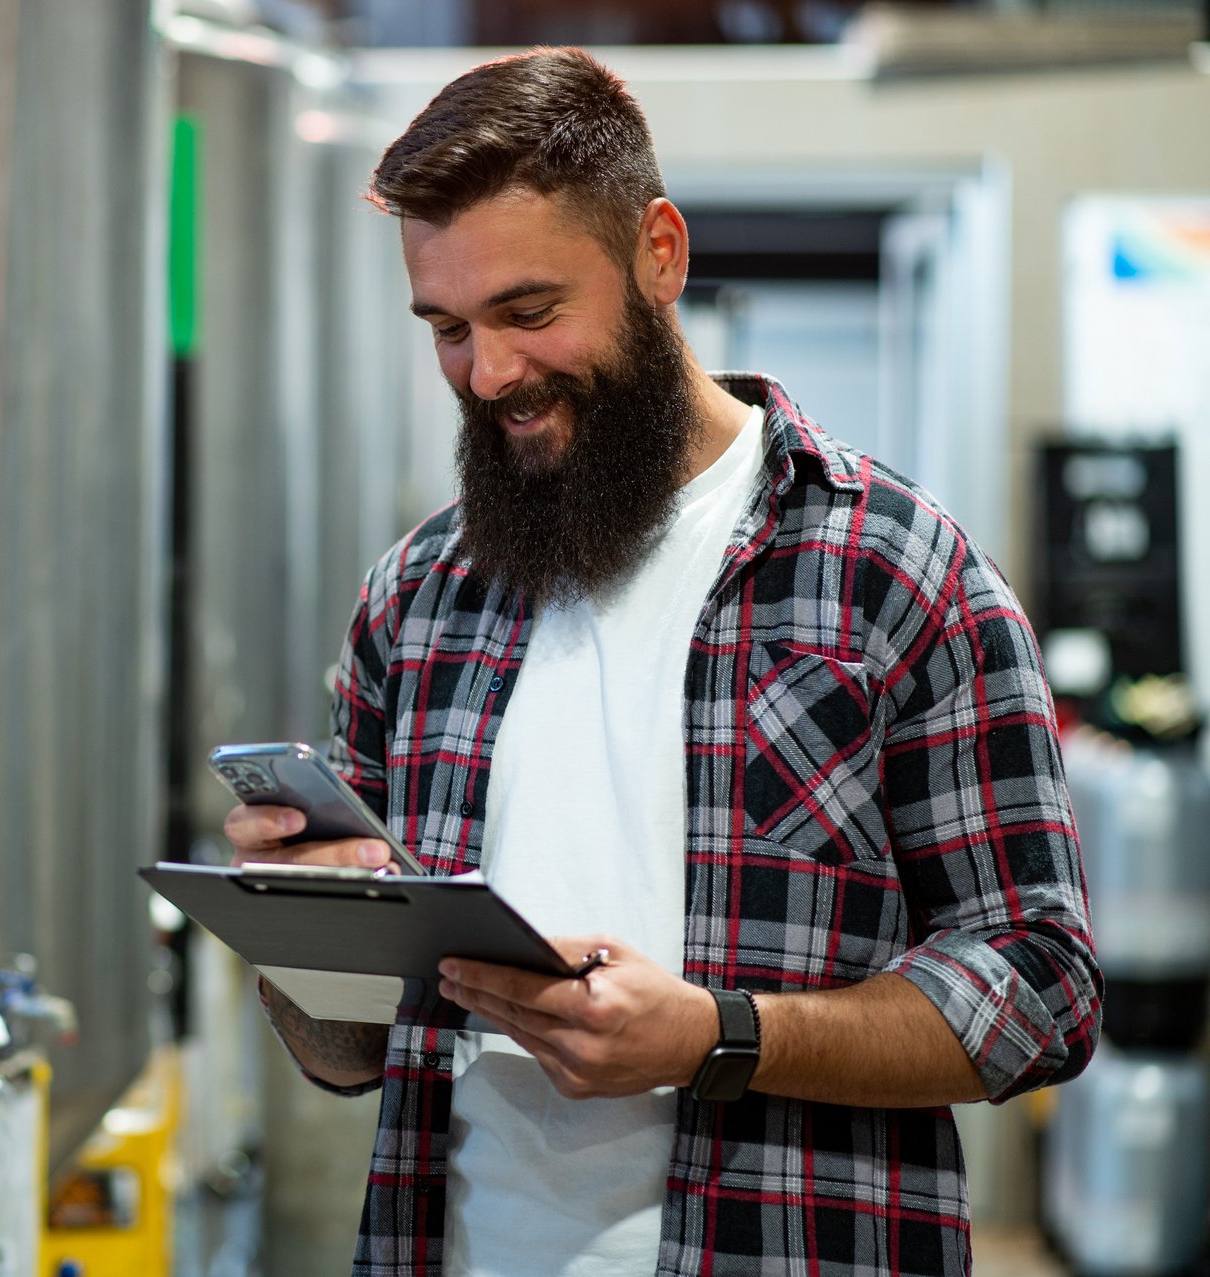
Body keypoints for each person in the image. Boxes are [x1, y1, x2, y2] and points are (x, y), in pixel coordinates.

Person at [222, 46, 1100, 1277]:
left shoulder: (896, 571)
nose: (489, 373)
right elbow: (347, 1049)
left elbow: (1040, 983)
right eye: (448, 329)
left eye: (530, 312)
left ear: (660, 254)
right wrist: (300, 926)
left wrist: (719, 1036)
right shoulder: (417, 600)